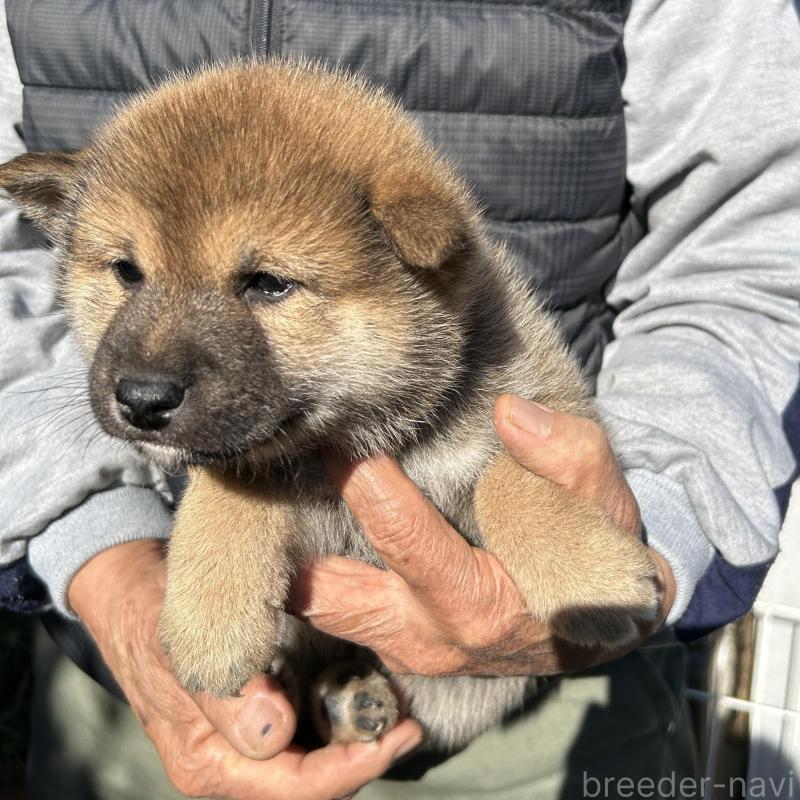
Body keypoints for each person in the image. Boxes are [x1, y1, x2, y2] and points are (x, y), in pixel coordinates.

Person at [1, 0, 798, 798]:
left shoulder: (445, 284)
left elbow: (755, 242)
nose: (148, 369)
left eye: (267, 283)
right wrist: (96, 548)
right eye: (127, 273)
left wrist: (645, 522)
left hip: (556, 717)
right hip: (129, 681)